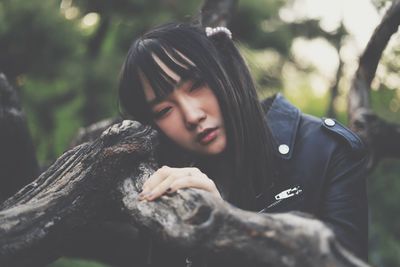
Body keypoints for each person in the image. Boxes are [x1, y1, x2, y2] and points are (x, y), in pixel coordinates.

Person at [118, 22, 368, 265]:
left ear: (226, 69)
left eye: (196, 85)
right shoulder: (164, 181)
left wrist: (223, 228)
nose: (192, 116)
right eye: (164, 110)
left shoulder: (325, 149)